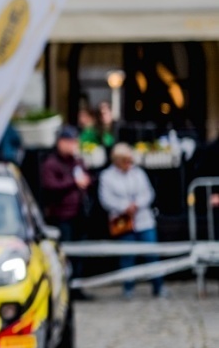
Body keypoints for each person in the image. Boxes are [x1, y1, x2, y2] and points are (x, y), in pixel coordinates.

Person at [99, 143, 165, 298]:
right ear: (117, 161)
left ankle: (158, 286)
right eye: (125, 161)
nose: (129, 164)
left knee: (152, 254)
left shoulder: (138, 173)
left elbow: (148, 193)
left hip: (143, 219)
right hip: (122, 221)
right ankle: (128, 288)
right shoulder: (107, 176)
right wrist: (124, 207)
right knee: (127, 255)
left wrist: (137, 205)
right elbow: (106, 199)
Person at [40, 125, 92, 297]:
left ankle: (77, 287)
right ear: (60, 142)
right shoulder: (51, 163)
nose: (73, 145)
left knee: (80, 254)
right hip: (61, 216)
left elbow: (86, 178)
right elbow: (50, 186)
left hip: (79, 215)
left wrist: (86, 181)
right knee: (65, 254)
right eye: (69, 141)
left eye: (75, 141)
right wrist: (73, 183)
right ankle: (64, 289)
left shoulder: (77, 161)